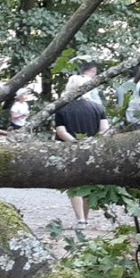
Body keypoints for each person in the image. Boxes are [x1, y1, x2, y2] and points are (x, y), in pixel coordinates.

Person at [55, 94, 108, 231]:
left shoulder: (62, 108)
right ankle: (86, 217)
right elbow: (105, 129)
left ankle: (81, 219)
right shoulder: (98, 107)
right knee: (87, 184)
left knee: (74, 185)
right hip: (92, 150)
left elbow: (60, 131)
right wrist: (92, 142)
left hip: (70, 150)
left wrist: (75, 143)